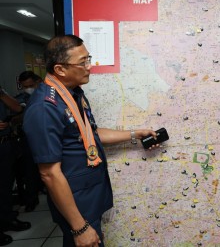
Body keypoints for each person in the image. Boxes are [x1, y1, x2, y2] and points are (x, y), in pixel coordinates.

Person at [23, 34, 159, 247]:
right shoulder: (44, 108)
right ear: (60, 69)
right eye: (83, 61)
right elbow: (49, 173)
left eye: (89, 58)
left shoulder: (71, 94)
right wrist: (80, 227)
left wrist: (135, 134)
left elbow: (90, 135)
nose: (90, 66)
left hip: (88, 197)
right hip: (76, 205)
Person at [0, 86, 31, 246]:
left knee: (4, 187)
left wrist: (2, 93)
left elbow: (17, 108)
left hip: (5, 145)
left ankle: (7, 219)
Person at [12, 71, 43, 212]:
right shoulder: (19, 99)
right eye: (25, 86)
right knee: (29, 170)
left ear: (37, 82)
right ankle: (32, 198)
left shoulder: (46, 96)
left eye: (31, 85)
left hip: (46, 137)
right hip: (28, 139)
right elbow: (14, 117)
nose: (28, 88)